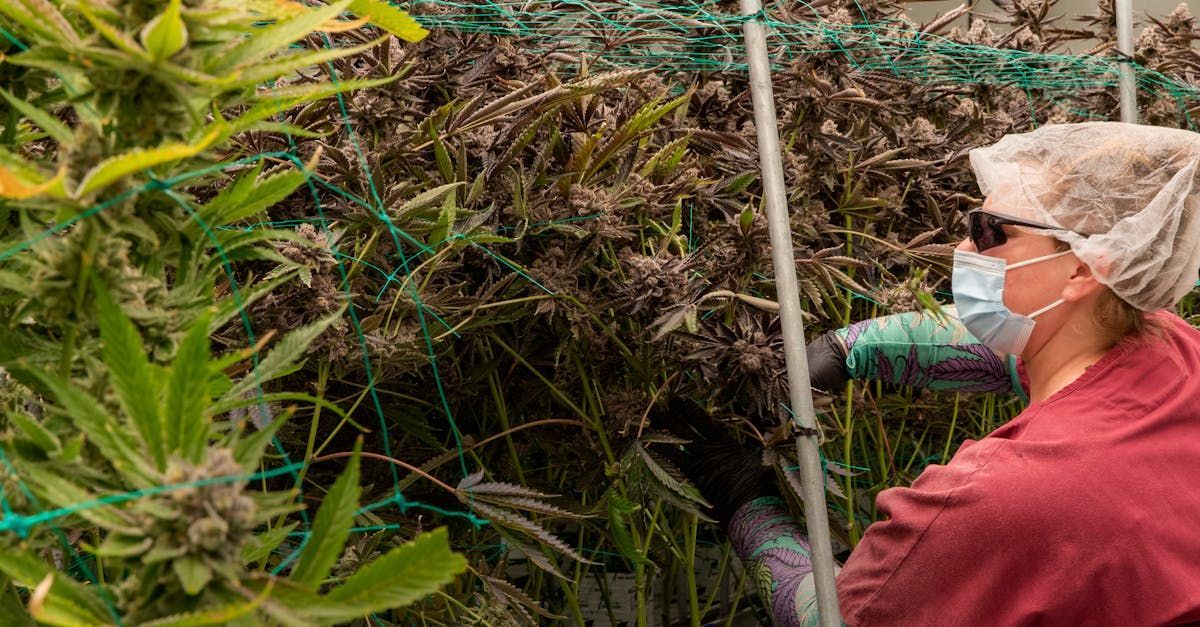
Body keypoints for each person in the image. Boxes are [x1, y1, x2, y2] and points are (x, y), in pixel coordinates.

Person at [676, 122, 1200, 626]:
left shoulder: (997, 499)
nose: (964, 249)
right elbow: (1032, 346)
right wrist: (849, 348)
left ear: (1085, 269)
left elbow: (836, 619)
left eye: (991, 232)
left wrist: (745, 500)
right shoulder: (1178, 354)